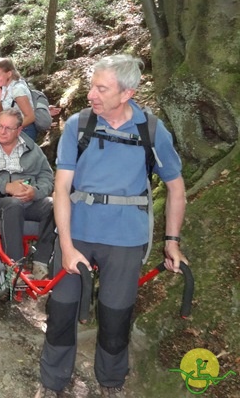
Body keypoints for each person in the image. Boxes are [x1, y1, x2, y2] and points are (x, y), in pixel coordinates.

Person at [36, 55, 187, 398]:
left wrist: (172, 242)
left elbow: (176, 187)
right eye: (91, 85)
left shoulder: (151, 130)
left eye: (101, 88)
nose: (91, 94)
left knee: (116, 314)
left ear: (127, 93)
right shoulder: (78, 124)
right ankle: (53, 383)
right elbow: (61, 188)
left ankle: (111, 382)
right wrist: (68, 245)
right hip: (78, 232)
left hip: (126, 237)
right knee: (61, 309)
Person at [0, 108, 55, 280]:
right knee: (13, 205)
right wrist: (6, 187)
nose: (2, 131)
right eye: (0, 126)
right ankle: (14, 267)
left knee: (53, 205)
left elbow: (47, 175)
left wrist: (35, 192)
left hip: (28, 201)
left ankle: (41, 262)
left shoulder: (32, 149)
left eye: (8, 128)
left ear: (19, 130)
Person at [0, 57, 37, 141]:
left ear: (9, 74)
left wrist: (13, 130)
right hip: (12, 132)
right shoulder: (5, 87)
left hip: (24, 132)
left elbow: (30, 117)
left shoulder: (17, 89)